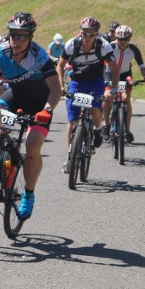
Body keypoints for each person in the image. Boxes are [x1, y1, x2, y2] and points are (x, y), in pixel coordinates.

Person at [0, 12, 62, 218]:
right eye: (13, 35)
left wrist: (47, 110)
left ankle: (28, 194)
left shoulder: (39, 56)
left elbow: (56, 88)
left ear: (31, 37)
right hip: (16, 97)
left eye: (23, 36)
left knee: (32, 147)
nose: (17, 41)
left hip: (40, 104)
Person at [57, 16, 118, 173]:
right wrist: (61, 85)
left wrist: (113, 89)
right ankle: (70, 156)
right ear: (81, 32)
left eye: (92, 34)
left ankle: (98, 129)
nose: (88, 37)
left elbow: (114, 67)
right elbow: (60, 65)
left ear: (97, 34)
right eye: (85, 33)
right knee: (72, 120)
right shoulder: (72, 44)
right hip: (77, 82)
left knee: (95, 109)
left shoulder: (103, 45)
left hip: (95, 81)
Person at [102, 25, 145, 143]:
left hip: (125, 74)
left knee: (126, 99)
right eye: (119, 39)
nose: (122, 42)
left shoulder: (133, 48)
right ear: (116, 38)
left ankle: (127, 131)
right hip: (109, 73)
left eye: (125, 39)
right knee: (108, 97)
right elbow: (101, 63)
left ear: (129, 39)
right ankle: (106, 125)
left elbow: (142, 66)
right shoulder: (110, 47)